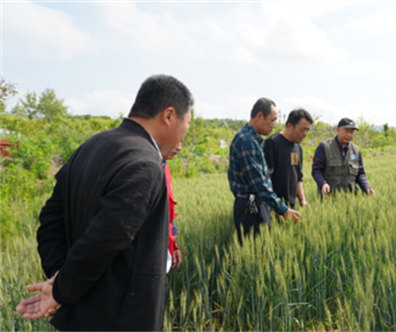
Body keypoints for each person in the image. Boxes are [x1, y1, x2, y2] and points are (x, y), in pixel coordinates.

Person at [15, 75, 194, 330]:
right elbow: (104, 240)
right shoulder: (145, 164)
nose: (186, 132)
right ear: (169, 115)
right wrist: (60, 290)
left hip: (79, 317)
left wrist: (60, 278)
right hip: (118, 320)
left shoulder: (91, 146)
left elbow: (50, 220)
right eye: (187, 121)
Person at [227, 97, 300, 244]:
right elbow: (258, 183)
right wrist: (283, 209)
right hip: (251, 202)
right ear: (260, 116)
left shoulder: (252, 140)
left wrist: (269, 205)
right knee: (255, 249)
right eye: (272, 120)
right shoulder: (247, 141)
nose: (274, 125)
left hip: (253, 201)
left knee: (257, 248)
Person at [263, 108, 313, 209]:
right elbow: (265, 179)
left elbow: (298, 177)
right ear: (289, 125)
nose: (305, 133)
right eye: (303, 129)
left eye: (307, 130)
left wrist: (303, 200)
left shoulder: (298, 148)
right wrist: (272, 207)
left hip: (290, 207)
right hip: (274, 206)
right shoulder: (272, 143)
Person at [312, 117, 375, 196]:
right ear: (338, 130)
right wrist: (323, 183)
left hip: (351, 199)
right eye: (346, 131)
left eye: (352, 132)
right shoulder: (324, 147)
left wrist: (366, 186)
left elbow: (360, 173)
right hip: (329, 198)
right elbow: (316, 171)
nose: (349, 135)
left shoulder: (355, 150)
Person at [163, 142, 182, 272]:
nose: (179, 147)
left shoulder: (165, 165)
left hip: (164, 248)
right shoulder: (147, 166)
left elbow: (169, 212)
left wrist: (172, 244)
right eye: (178, 141)